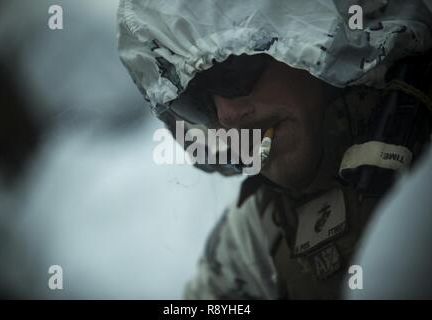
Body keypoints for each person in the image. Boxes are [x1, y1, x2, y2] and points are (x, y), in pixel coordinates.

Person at [117, 0, 432, 299]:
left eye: (233, 72)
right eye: (196, 100)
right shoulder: (254, 234)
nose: (226, 115)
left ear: (320, 34)